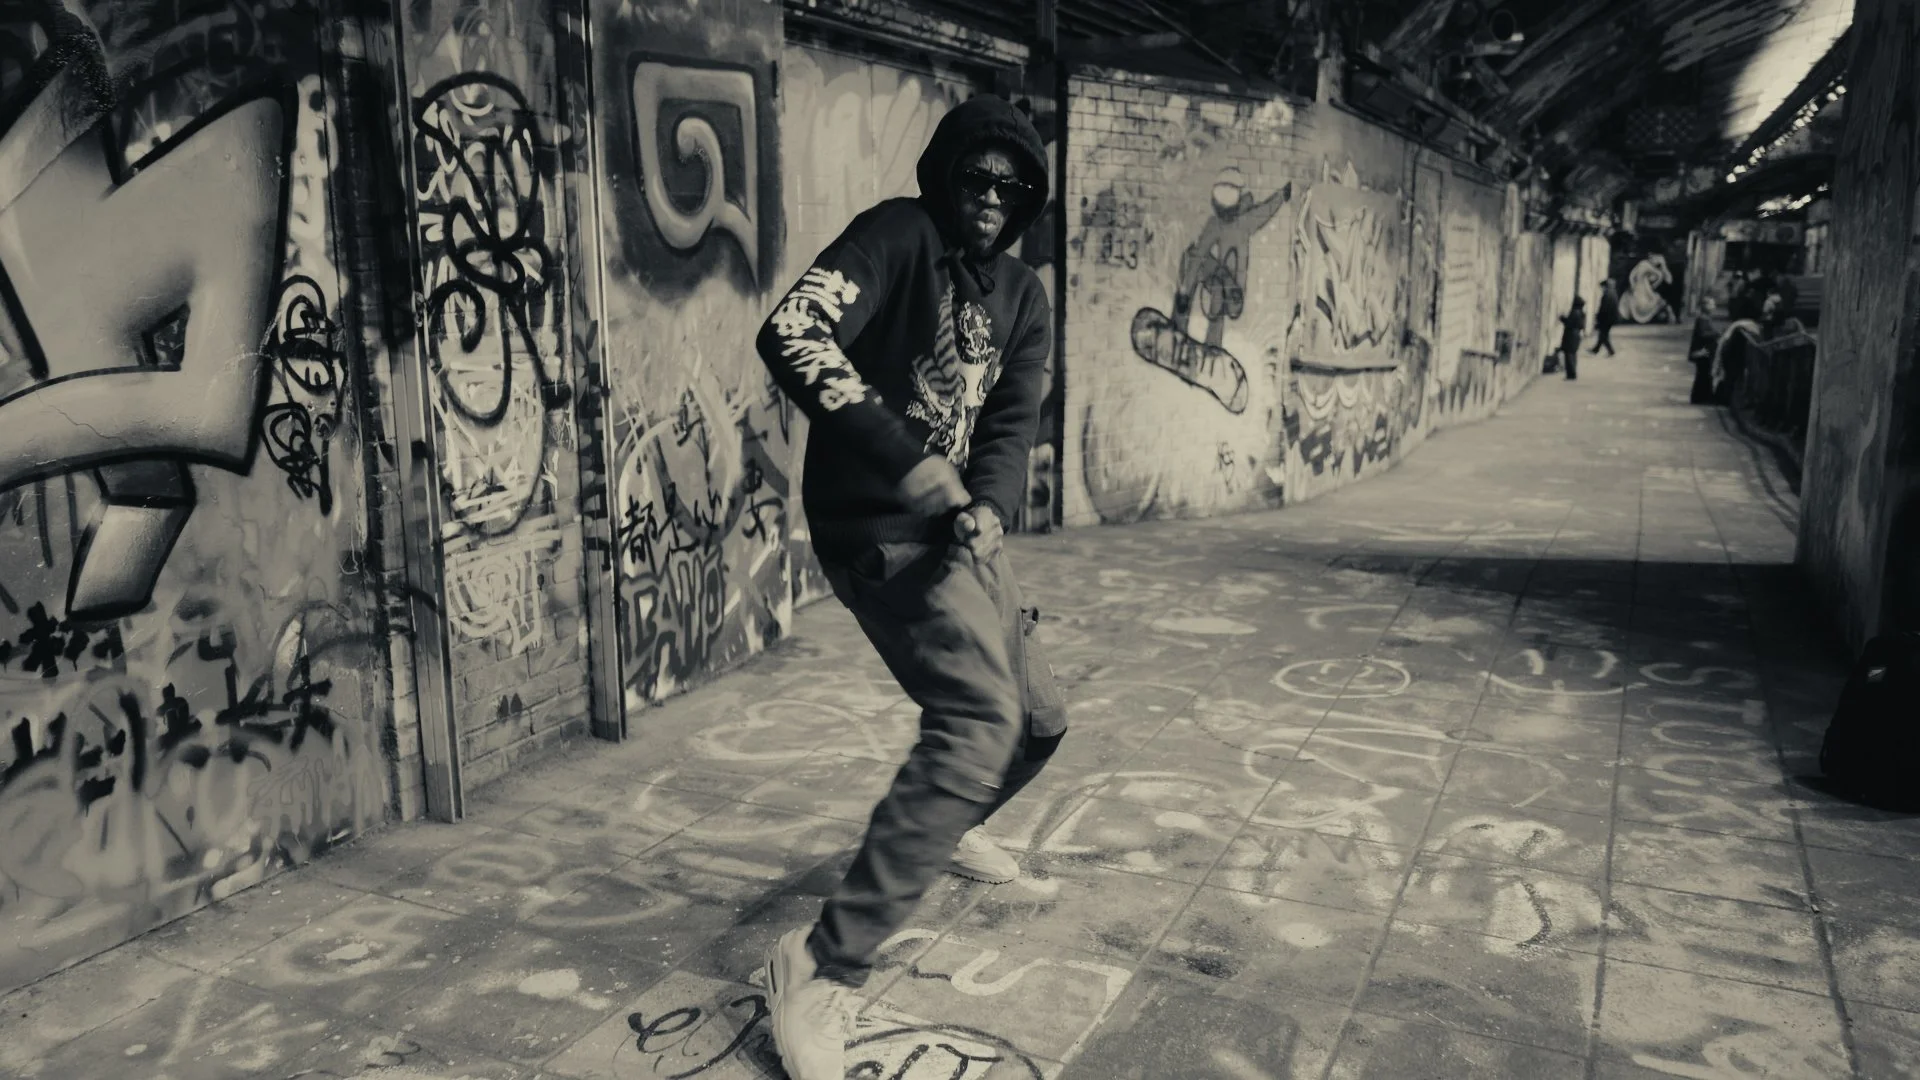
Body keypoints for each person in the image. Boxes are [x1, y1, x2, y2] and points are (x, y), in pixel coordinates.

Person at [750, 96, 1064, 1080]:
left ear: (1029, 200)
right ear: (945, 175)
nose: (991, 197)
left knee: (1039, 719)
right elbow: (794, 331)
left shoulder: (1024, 295)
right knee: (976, 724)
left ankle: (949, 825)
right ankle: (822, 963)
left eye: (1013, 185)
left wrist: (991, 504)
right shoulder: (895, 235)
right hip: (879, 531)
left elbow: (1010, 420)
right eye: (976, 176)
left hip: (960, 531)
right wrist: (908, 461)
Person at [1559, 296, 1587, 380]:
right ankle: (1572, 373)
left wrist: (1562, 319)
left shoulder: (1575, 312)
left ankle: (1571, 374)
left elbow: (1569, 323)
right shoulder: (1581, 313)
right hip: (1576, 335)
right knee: (1573, 354)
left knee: (1569, 354)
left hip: (1571, 335)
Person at [1591, 278, 1619, 356]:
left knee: (1603, 335)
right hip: (1610, 318)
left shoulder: (1607, 295)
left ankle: (1611, 351)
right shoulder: (1613, 293)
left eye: (1602, 287)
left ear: (1605, 286)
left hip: (1606, 319)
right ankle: (1596, 350)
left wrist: (1598, 317)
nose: (1602, 289)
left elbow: (1604, 308)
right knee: (1603, 334)